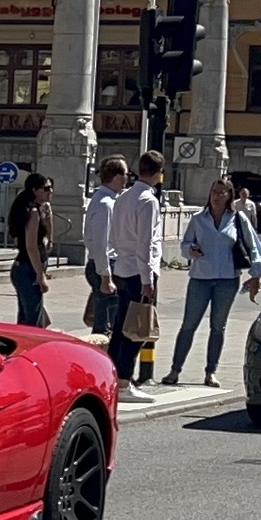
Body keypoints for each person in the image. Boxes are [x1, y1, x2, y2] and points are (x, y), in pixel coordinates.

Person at [160, 177, 261, 389]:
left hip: (227, 279)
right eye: (214, 192)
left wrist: (256, 272)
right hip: (200, 278)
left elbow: (255, 247)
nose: (217, 196)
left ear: (230, 196)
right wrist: (190, 250)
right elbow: (185, 244)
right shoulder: (199, 219)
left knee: (218, 327)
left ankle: (211, 372)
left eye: (222, 193)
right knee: (189, 325)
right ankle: (175, 370)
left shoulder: (238, 219)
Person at [105, 151, 164, 399]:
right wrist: (147, 281)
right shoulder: (147, 201)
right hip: (139, 272)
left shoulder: (124, 197)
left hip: (122, 267)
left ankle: (114, 375)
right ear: (159, 173)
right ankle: (125, 381)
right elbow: (145, 244)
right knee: (137, 328)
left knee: (121, 325)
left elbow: (115, 236)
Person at [83, 157, 128, 337]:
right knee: (105, 325)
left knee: (109, 320)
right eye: (126, 174)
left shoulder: (107, 200)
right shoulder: (105, 205)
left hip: (105, 265)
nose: (127, 178)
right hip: (105, 266)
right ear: (117, 177)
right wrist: (105, 278)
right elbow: (101, 244)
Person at [6, 171, 57, 327]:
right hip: (28, 269)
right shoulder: (32, 212)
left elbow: (47, 234)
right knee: (32, 320)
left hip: (25, 268)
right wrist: (40, 276)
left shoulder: (35, 209)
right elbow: (31, 246)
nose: (51, 191)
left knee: (29, 316)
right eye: (46, 188)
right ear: (35, 190)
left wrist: (48, 214)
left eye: (51, 188)